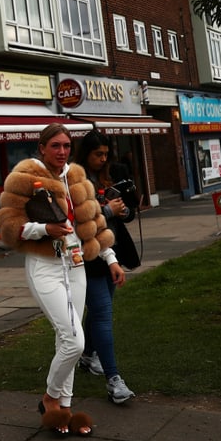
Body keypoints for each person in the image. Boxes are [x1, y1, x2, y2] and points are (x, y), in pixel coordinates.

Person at [0, 123, 118, 437]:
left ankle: (64, 408)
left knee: (65, 339)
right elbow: (10, 228)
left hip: (76, 268)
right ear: (42, 148)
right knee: (75, 340)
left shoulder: (77, 177)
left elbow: (94, 225)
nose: (62, 152)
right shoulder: (24, 177)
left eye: (66, 146)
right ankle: (50, 398)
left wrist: (111, 259)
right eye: (55, 146)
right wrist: (44, 231)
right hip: (45, 266)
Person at [75, 130, 137, 404]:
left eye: (105, 154)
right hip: (90, 255)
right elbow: (81, 219)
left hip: (111, 251)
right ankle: (114, 379)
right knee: (102, 314)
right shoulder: (77, 180)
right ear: (85, 154)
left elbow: (123, 211)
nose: (103, 159)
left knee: (99, 310)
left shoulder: (107, 176)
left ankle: (88, 357)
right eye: (97, 154)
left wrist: (124, 211)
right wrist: (109, 210)